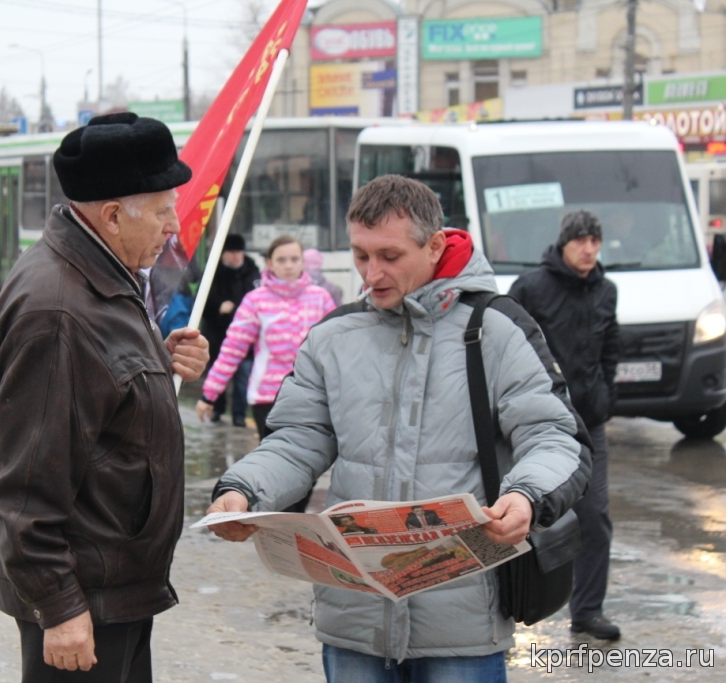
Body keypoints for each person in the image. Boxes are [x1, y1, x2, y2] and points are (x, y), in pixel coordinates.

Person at [206, 175, 592, 682]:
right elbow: (297, 441)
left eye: (389, 256)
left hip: (462, 625)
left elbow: (554, 436)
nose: (371, 273)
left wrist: (526, 497)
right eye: (360, 255)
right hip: (354, 622)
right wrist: (242, 491)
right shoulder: (333, 338)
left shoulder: (495, 328)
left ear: (435, 246)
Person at [0, 113, 210, 683]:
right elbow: (23, 485)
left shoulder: (99, 273)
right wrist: (59, 606)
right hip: (84, 598)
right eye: (161, 210)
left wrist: (157, 359)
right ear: (111, 215)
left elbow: (96, 394)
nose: (173, 226)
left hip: (113, 587)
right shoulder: (58, 308)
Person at [508, 209, 621, 641]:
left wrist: (604, 396)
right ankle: (513, 606)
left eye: (595, 240)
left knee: (594, 519)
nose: (589, 249)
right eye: (581, 241)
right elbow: (508, 341)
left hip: (588, 424)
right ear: (563, 243)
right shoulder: (532, 287)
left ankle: (588, 611)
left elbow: (611, 346)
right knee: (519, 515)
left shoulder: (606, 290)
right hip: (535, 422)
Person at [196, 235, 335, 439]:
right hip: (267, 398)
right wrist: (209, 394)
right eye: (281, 260)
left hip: (311, 397)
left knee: (307, 464)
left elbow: (336, 347)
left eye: (294, 259)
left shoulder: (320, 298)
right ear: (269, 263)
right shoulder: (255, 300)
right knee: (275, 463)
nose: (288, 265)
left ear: (302, 262)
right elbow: (232, 350)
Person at [200, 234, 261, 426]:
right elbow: (202, 302)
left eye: (238, 252)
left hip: (246, 336)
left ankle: (239, 415)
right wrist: (219, 307)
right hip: (218, 333)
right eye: (230, 252)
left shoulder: (253, 272)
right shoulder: (212, 272)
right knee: (218, 372)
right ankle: (217, 409)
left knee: (243, 376)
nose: (235, 256)